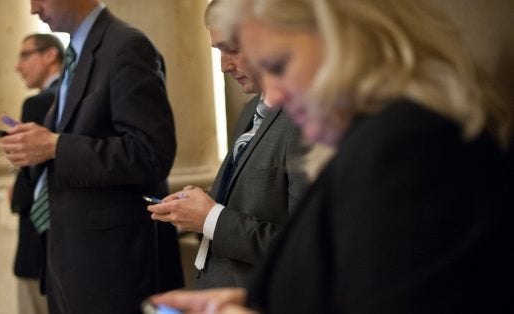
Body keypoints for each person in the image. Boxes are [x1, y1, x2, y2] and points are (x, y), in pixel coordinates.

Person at [150, 0, 514, 313]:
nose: (273, 96)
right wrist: (255, 299)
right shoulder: (366, 139)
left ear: (344, 40)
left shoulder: (408, 146)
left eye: (279, 65)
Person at [0, 0, 184, 312]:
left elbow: (151, 153)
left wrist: (54, 146)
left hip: (113, 267)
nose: (33, 9)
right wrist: (34, 149)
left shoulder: (127, 45)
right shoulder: (78, 52)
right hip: (70, 258)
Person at [147, 0, 309, 289]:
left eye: (232, 49)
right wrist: (200, 204)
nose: (224, 66)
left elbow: (304, 247)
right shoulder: (250, 111)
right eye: (219, 51)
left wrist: (210, 218)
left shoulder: (307, 120)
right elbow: (257, 201)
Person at [10, 33, 64, 314]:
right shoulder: (78, 97)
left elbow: (30, 180)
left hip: (39, 245)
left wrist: (15, 190)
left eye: (25, 55)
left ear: (50, 55)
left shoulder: (37, 103)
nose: (18, 66)